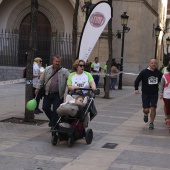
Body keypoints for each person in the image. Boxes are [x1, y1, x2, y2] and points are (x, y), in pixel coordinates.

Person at [35, 55, 70, 127]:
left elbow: (70, 79)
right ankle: (54, 120)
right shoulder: (47, 69)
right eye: (56, 61)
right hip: (48, 93)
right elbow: (41, 80)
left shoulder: (64, 71)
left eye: (59, 62)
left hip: (58, 94)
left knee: (55, 110)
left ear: (60, 62)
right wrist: (37, 88)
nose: (57, 63)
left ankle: (54, 125)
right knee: (45, 108)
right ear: (53, 61)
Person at [134, 58, 162, 130]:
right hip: (145, 93)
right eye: (152, 63)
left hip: (154, 93)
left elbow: (162, 82)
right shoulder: (144, 72)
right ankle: (146, 114)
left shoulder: (158, 73)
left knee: (153, 108)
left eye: (155, 63)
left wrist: (163, 91)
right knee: (146, 109)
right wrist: (136, 89)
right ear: (149, 63)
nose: (153, 64)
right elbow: (137, 81)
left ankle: (151, 123)